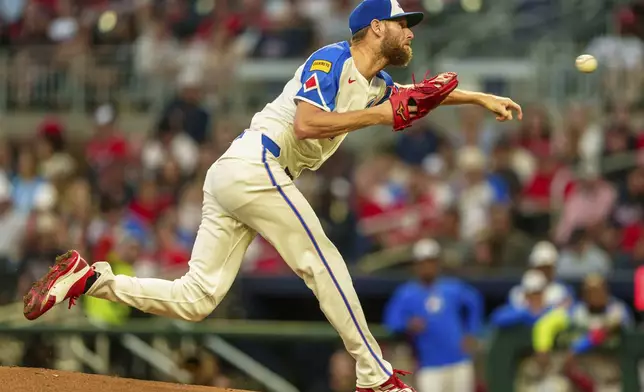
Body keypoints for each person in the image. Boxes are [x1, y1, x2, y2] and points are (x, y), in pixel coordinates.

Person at [22, 0, 521, 390]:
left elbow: (420, 97)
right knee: (322, 259)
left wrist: (478, 97)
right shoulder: (333, 59)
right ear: (375, 28)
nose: (410, 31)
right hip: (255, 164)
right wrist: (384, 114)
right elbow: (307, 125)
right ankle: (376, 376)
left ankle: (89, 279)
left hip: (240, 175)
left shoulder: (378, 82)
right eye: (402, 23)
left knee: (197, 299)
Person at [383, 238, 484, 392]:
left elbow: (475, 301)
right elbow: (391, 321)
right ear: (416, 265)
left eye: (431, 262)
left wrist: (471, 332)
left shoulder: (452, 288)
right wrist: (408, 324)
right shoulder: (407, 293)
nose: (427, 267)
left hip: (459, 360)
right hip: (429, 365)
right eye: (422, 262)